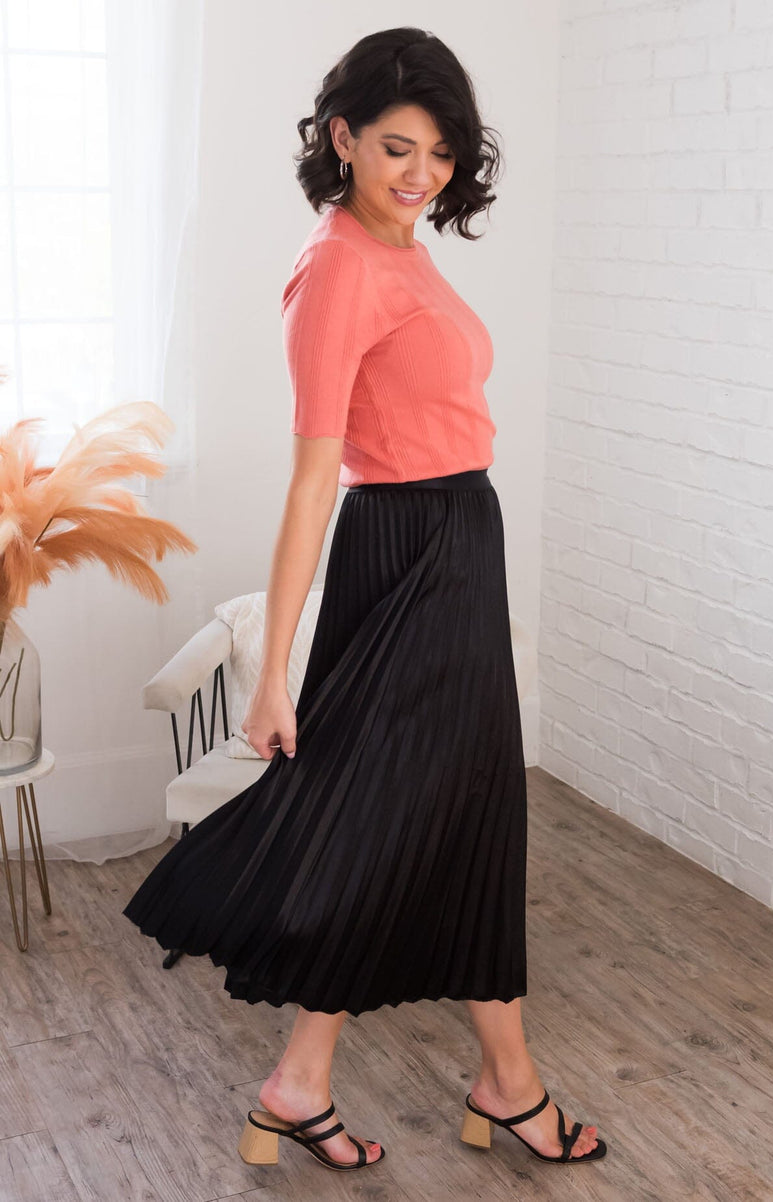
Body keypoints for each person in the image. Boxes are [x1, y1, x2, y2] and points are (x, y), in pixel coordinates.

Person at [124, 26, 607, 1177]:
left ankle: (324, 1082)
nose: (420, 173)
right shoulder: (337, 266)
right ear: (341, 137)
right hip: (405, 552)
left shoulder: (402, 246)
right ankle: (495, 1084)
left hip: (458, 541)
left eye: (438, 152)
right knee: (392, 814)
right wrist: (273, 672)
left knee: (453, 813)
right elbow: (312, 479)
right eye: (396, 148)